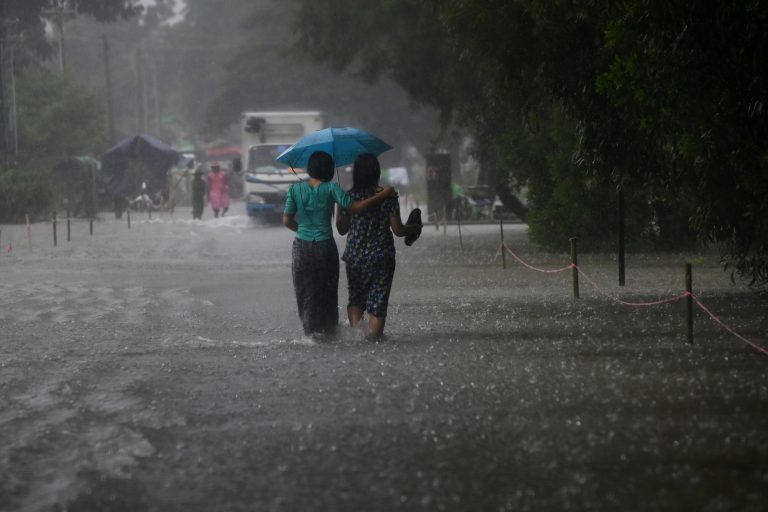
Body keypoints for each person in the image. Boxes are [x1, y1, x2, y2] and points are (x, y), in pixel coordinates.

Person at [283, 150, 394, 338]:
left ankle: (310, 333)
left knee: (305, 291)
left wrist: (303, 232)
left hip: (301, 248)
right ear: (328, 170)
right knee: (327, 291)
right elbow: (357, 207)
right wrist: (384, 195)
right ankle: (329, 332)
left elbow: (287, 220)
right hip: (325, 247)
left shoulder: (294, 189)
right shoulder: (332, 189)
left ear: (310, 169)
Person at [336, 153, 422, 340]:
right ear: (376, 172)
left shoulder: (348, 197)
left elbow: (342, 230)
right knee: (378, 302)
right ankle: (373, 339)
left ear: (356, 174)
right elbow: (398, 230)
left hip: (355, 257)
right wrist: (413, 228)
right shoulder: (388, 196)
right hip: (381, 257)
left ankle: (357, 338)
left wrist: (339, 209)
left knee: (356, 300)